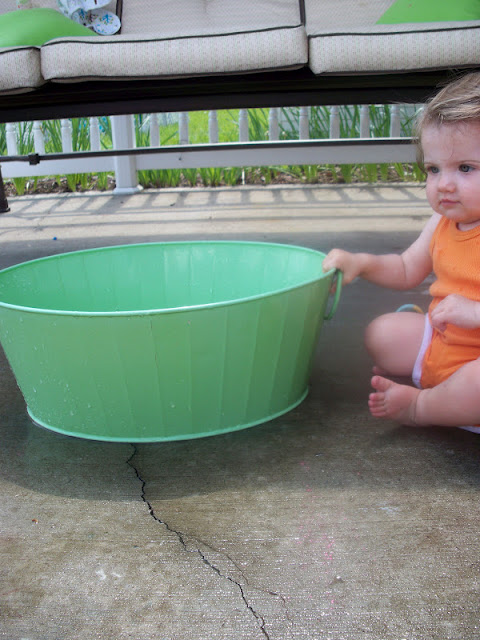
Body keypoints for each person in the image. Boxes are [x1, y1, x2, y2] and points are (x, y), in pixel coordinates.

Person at [322, 72, 480, 431]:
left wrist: (475, 312)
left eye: (466, 168)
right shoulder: (442, 221)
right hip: (443, 341)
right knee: (382, 333)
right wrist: (361, 263)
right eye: (434, 169)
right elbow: (407, 267)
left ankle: (420, 407)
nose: (444, 184)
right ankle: (438, 384)